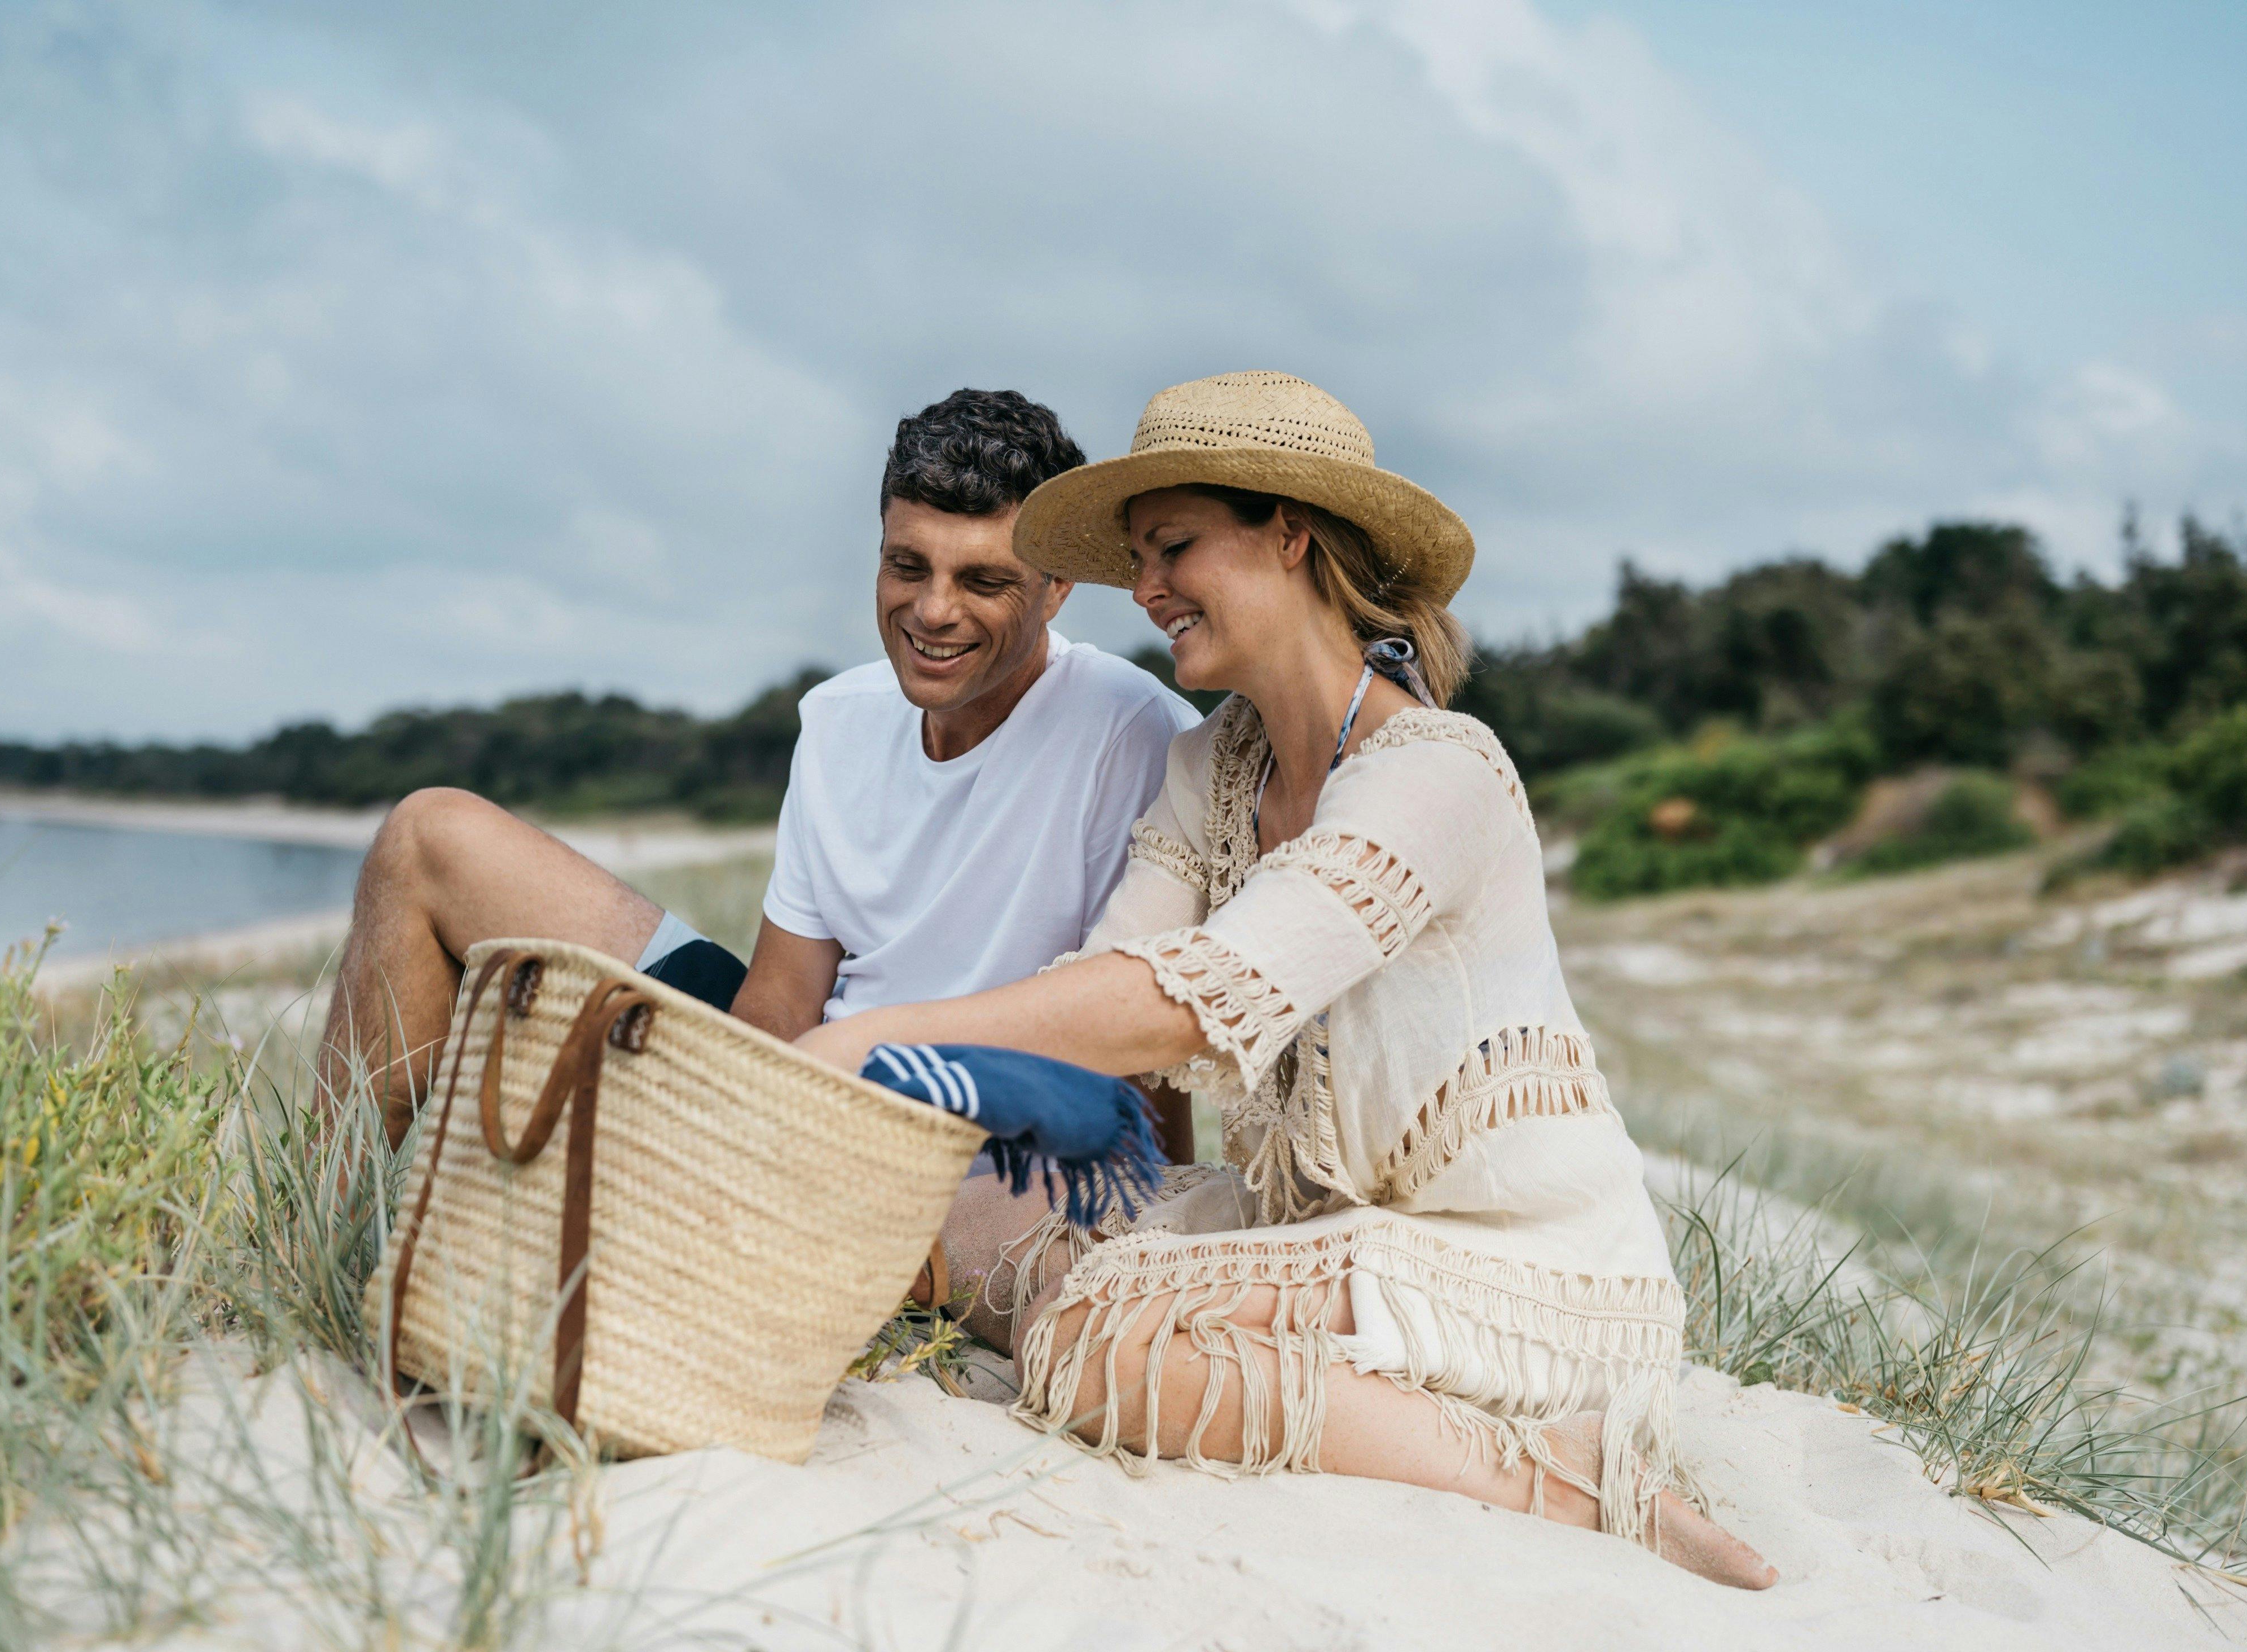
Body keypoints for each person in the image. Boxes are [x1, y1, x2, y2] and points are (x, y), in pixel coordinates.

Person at [794, 371, 1776, 1589]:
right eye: (1139, 560)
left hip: (1518, 1268)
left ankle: (1564, 1477)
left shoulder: (1438, 771)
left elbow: (1193, 997)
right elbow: (1113, 976)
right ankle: (1347, 1392)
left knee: (1090, 1337)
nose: (1146, 590)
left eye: (1173, 549)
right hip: (1318, 1231)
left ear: (1291, 535)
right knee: (969, 1213)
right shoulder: (1211, 762)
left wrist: (881, 1039)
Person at [318, 389, 1198, 1150]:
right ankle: (315, 1224)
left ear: (1057, 587)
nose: (933, 611)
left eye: (982, 581)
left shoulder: (1135, 734)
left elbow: (1140, 1049)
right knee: (427, 836)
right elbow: (780, 1000)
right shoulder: (838, 720)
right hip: (804, 1091)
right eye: (907, 566)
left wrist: (1141, 1216)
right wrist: (742, 1118)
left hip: (968, 1148)